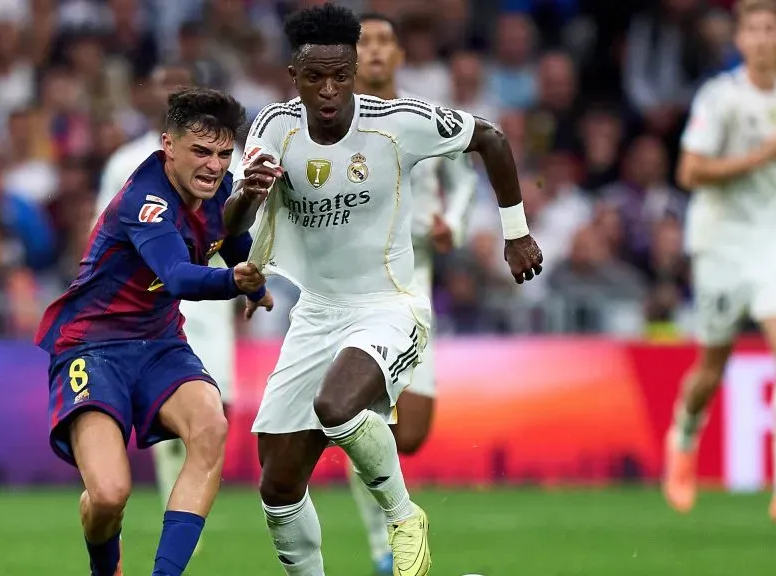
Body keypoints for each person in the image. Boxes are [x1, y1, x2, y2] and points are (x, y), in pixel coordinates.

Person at [227, 4, 543, 575]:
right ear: (294, 76)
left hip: (389, 305)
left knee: (337, 406)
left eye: (340, 76)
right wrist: (247, 193)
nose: (329, 90)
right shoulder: (274, 126)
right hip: (316, 314)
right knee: (277, 486)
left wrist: (516, 234)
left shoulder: (398, 119)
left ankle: (403, 517)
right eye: (314, 78)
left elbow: (491, 139)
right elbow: (230, 223)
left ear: (353, 71)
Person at [34, 87, 273, 576]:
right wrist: (235, 282)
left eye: (224, 154)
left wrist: (253, 288)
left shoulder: (221, 187)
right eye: (201, 152)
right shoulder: (146, 200)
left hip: (161, 342)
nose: (213, 165)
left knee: (210, 427)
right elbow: (181, 275)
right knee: (108, 496)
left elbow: (231, 236)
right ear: (168, 144)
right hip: (92, 347)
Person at [663, 0, 776, 527]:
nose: (763, 38)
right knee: (712, 365)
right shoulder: (720, 97)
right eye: (754, 29)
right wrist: (757, 158)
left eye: (773, 29)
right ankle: (683, 435)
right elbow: (689, 171)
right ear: (741, 40)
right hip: (721, 243)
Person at [95, 63, 243, 547]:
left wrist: (250, 280)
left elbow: (240, 233)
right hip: (150, 303)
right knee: (173, 416)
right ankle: (174, 510)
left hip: (211, 302)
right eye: (166, 83)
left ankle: (182, 506)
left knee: (213, 413)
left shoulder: (229, 159)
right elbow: (104, 233)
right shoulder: (127, 162)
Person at [351, 12, 479, 574]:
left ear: (402, 56)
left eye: (385, 42)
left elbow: (468, 176)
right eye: (365, 43)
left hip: (417, 280)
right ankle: (386, 546)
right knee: (361, 410)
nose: (375, 51)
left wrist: (451, 219)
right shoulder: (335, 122)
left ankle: (389, 527)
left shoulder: (424, 116)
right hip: (355, 285)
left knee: (413, 429)